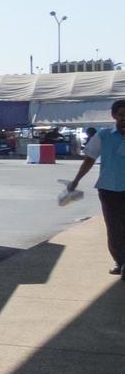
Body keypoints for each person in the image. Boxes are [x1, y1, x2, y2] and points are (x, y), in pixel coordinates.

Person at [66, 100, 125, 276]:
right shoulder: (103, 135)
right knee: (113, 227)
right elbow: (89, 159)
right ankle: (119, 261)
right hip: (109, 189)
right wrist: (76, 180)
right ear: (114, 116)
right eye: (121, 115)